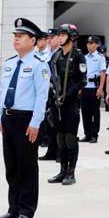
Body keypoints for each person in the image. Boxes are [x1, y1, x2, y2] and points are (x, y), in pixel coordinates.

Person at [0, 18, 50, 218]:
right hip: (9, 118)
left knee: (26, 166)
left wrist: (36, 123)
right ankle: (13, 207)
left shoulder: (39, 65)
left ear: (33, 40)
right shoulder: (9, 63)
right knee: (11, 166)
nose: (16, 39)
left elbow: (41, 97)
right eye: (15, 36)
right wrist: (1, 116)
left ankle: (27, 209)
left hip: (27, 120)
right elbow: (3, 90)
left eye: (21, 36)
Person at [47, 24, 87, 185]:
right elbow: (51, 76)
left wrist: (67, 94)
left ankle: (71, 172)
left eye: (63, 35)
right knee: (60, 136)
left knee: (70, 137)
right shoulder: (56, 56)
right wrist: (55, 92)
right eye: (60, 35)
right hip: (57, 102)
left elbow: (82, 80)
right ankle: (62, 170)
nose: (60, 37)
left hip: (70, 102)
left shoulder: (78, 56)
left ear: (71, 37)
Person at [39, 28, 61, 158]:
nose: (49, 40)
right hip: (45, 90)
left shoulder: (60, 54)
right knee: (48, 121)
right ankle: (51, 151)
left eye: (51, 38)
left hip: (55, 91)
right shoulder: (47, 54)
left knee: (57, 122)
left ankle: (59, 152)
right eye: (47, 38)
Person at [80, 36, 106, 144]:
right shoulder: (84, 57)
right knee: (85, 112)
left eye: (91, 43)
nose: (89, 45)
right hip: (85, 87)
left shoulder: (100, 57)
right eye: (88, 43)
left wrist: (100, 88)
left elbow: (103, 73)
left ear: (97, 45)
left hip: (94, 87)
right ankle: (87, 133)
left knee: (95, 112)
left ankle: (94, 134)